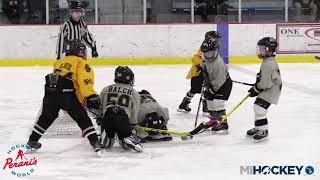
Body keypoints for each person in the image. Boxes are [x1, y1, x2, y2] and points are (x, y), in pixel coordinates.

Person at [26, 39, 102, 154]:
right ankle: (95, 142)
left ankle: (32, 141)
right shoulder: (81, 63)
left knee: (46, 117)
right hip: (66, 92)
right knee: (82, 118)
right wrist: (90, 95)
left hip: (50, 90)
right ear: (79, 51)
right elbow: (84, 81)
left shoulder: (59, 62)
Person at [97, 66, 143, 152]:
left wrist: (100, 118)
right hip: (123, 117)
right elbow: (134, 112)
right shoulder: (134, 92)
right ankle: (127, 140)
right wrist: (133, 124)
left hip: (107, 115)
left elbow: (99, 106)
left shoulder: (106, 88)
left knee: (110, 141)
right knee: (123, 140)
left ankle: (105, 139)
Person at [246, 37, 282, 141]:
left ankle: (263, 131)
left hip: (271, 90)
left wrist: (256, 89)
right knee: (257, 107)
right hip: (269, 87)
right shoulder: (268, 60)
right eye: (260, 48)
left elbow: (266, 83)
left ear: (270, 50)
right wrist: (258, 84)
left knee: (259, 109)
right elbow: (265, 79)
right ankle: (259, 127)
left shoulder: (268, 64)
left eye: (263, 48)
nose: (260, 50)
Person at [177, 31, 220, 113]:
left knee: (207, 89)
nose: (218, 40)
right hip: (198, 73)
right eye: (216, 38)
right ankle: (184, 103)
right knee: (195, 89)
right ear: (210, 38)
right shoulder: (205, 46)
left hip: (206, 72)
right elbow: (195, 58)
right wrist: (201, 66)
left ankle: (206, 107)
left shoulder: (214, 46)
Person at [199, 31, 233, 134]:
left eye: (211, 52)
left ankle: (223, 123)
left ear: (216, 50)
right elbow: (205, 67)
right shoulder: (205, 59)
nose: (209, 55)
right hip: (213, 83)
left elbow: (219, 81)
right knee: (209, 101)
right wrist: (203, 71)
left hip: (223, 85)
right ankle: (214, 120)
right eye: (206, 53)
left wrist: (212, 90)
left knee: (218, 102)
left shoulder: (218, 63)